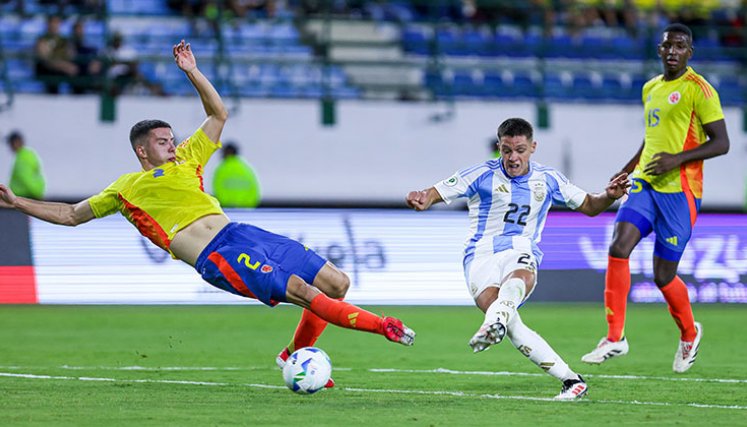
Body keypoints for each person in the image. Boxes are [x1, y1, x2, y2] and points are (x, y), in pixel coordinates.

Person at [0, 41, 415, 389]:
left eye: (172, 138)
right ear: (142, 150)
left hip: (243, 232)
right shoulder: (126, 189)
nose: (173, 144)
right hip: (216, 255)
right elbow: (71, 214)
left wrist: (192, 72)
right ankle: (383, 326)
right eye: (163, 141)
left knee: (336, 282)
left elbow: (218, 114)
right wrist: (18, 202)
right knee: (305, 292)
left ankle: (292, 354)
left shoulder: (187, 161)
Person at [406, 117, 629, 400]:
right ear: (499, 147)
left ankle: (493, 322)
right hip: (480, 257)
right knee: (511, 323)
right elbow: (432, 194)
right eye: (507, 150)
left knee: (515, 283)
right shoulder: (480, 174)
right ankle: (572, 380)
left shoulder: (548, 179)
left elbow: (589, 205)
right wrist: (420, 198)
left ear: (533, 147)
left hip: (521, 249)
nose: (513, 158)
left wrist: (609, 196)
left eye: (520, 150)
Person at [581, 23, 730, 373]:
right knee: (619, 247)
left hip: (681, 191)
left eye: (680, 46)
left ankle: (690, 333)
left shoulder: (700, 90)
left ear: (689, 52)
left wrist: (678, 159)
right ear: (660, 50)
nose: (672, 52)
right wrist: (628, 168)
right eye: (667, 46)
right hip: (646, 184)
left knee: (663, 275)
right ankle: (615, 337)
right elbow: (652, 140)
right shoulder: (650, 88)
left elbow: (722, 143)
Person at [34, 15, 79, 94]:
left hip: (64, 66)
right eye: (52, 22)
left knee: (79, 70)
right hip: (48, 69)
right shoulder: (42, 39)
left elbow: (71, 54)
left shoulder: (64, 40)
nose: (54, 25)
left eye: (57, 23)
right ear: (48, 24)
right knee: (53, 74)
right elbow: (45, 59)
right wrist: (63, 65)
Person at [212, 142, 261, 208]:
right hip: (246, 209)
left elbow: (217, 189)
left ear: (227, 153)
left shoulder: (222, 169)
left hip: (228, 209)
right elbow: (254, 190)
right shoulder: (246, 169)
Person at [6, 130, 46, 200]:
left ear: (16, 142)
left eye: (11, 143)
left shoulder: (22, 158)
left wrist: (36, 195)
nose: (10, 146)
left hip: (24, 198)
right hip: (27, 197)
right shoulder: (28, 154)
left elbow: (26, 179)